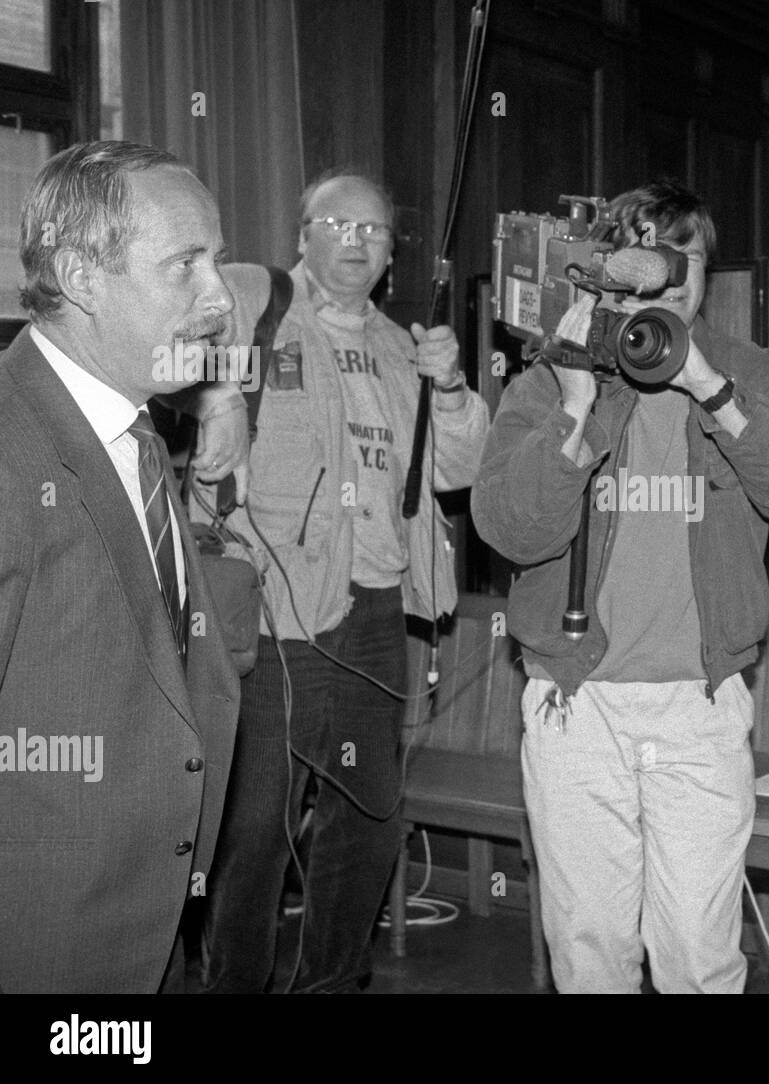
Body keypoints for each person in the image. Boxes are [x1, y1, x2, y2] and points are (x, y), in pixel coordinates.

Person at [471, 180, 769, 993]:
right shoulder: (550, 377)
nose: (664, 282)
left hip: (699, 708)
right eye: (640, 261)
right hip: (578, 702)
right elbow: (507, 527)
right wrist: (576, 412)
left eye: (683, 260)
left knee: (699, 957)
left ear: (710, 273)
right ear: (604, 273)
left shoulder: (752, 372)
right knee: (590, 950)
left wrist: (711, 388)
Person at [198, 170, 489, 993]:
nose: (357, 240)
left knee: (368, 819)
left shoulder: (405, 349)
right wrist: (220, 394)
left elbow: (457, 473)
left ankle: (331, 980)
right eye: (338, 222)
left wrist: (456, 388)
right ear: (303, 235)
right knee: (256, 826)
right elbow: (165, 336)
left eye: (375, 230)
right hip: (276, 609)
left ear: (392, 255)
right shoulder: (257, 302)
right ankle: (234, 984)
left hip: (376, 608)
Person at [0, 140, 240, 992]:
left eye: (217, 259)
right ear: (82, 278)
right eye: (186, 264)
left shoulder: (132, 425)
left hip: (149, 931)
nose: (219, 297)